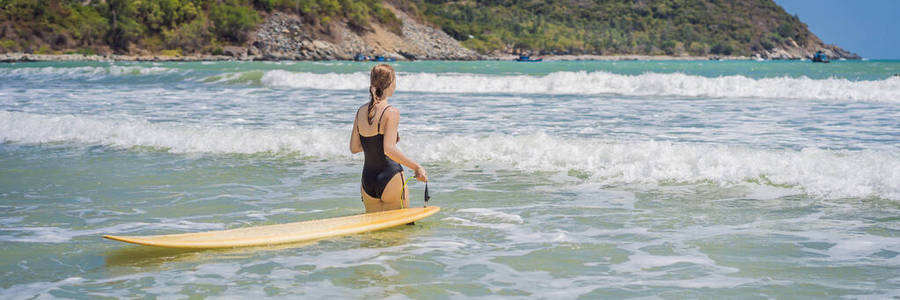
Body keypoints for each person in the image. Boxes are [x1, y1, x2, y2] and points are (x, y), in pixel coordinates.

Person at [350, 64, 427, 212]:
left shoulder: (360, 111)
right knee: (401, 230)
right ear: (389, 83)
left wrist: (374, 143)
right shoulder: (391, 112)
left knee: (375, 231)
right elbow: (389, 149)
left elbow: (354, 148)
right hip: (390, 177)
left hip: (367, 180)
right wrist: (417, 167)